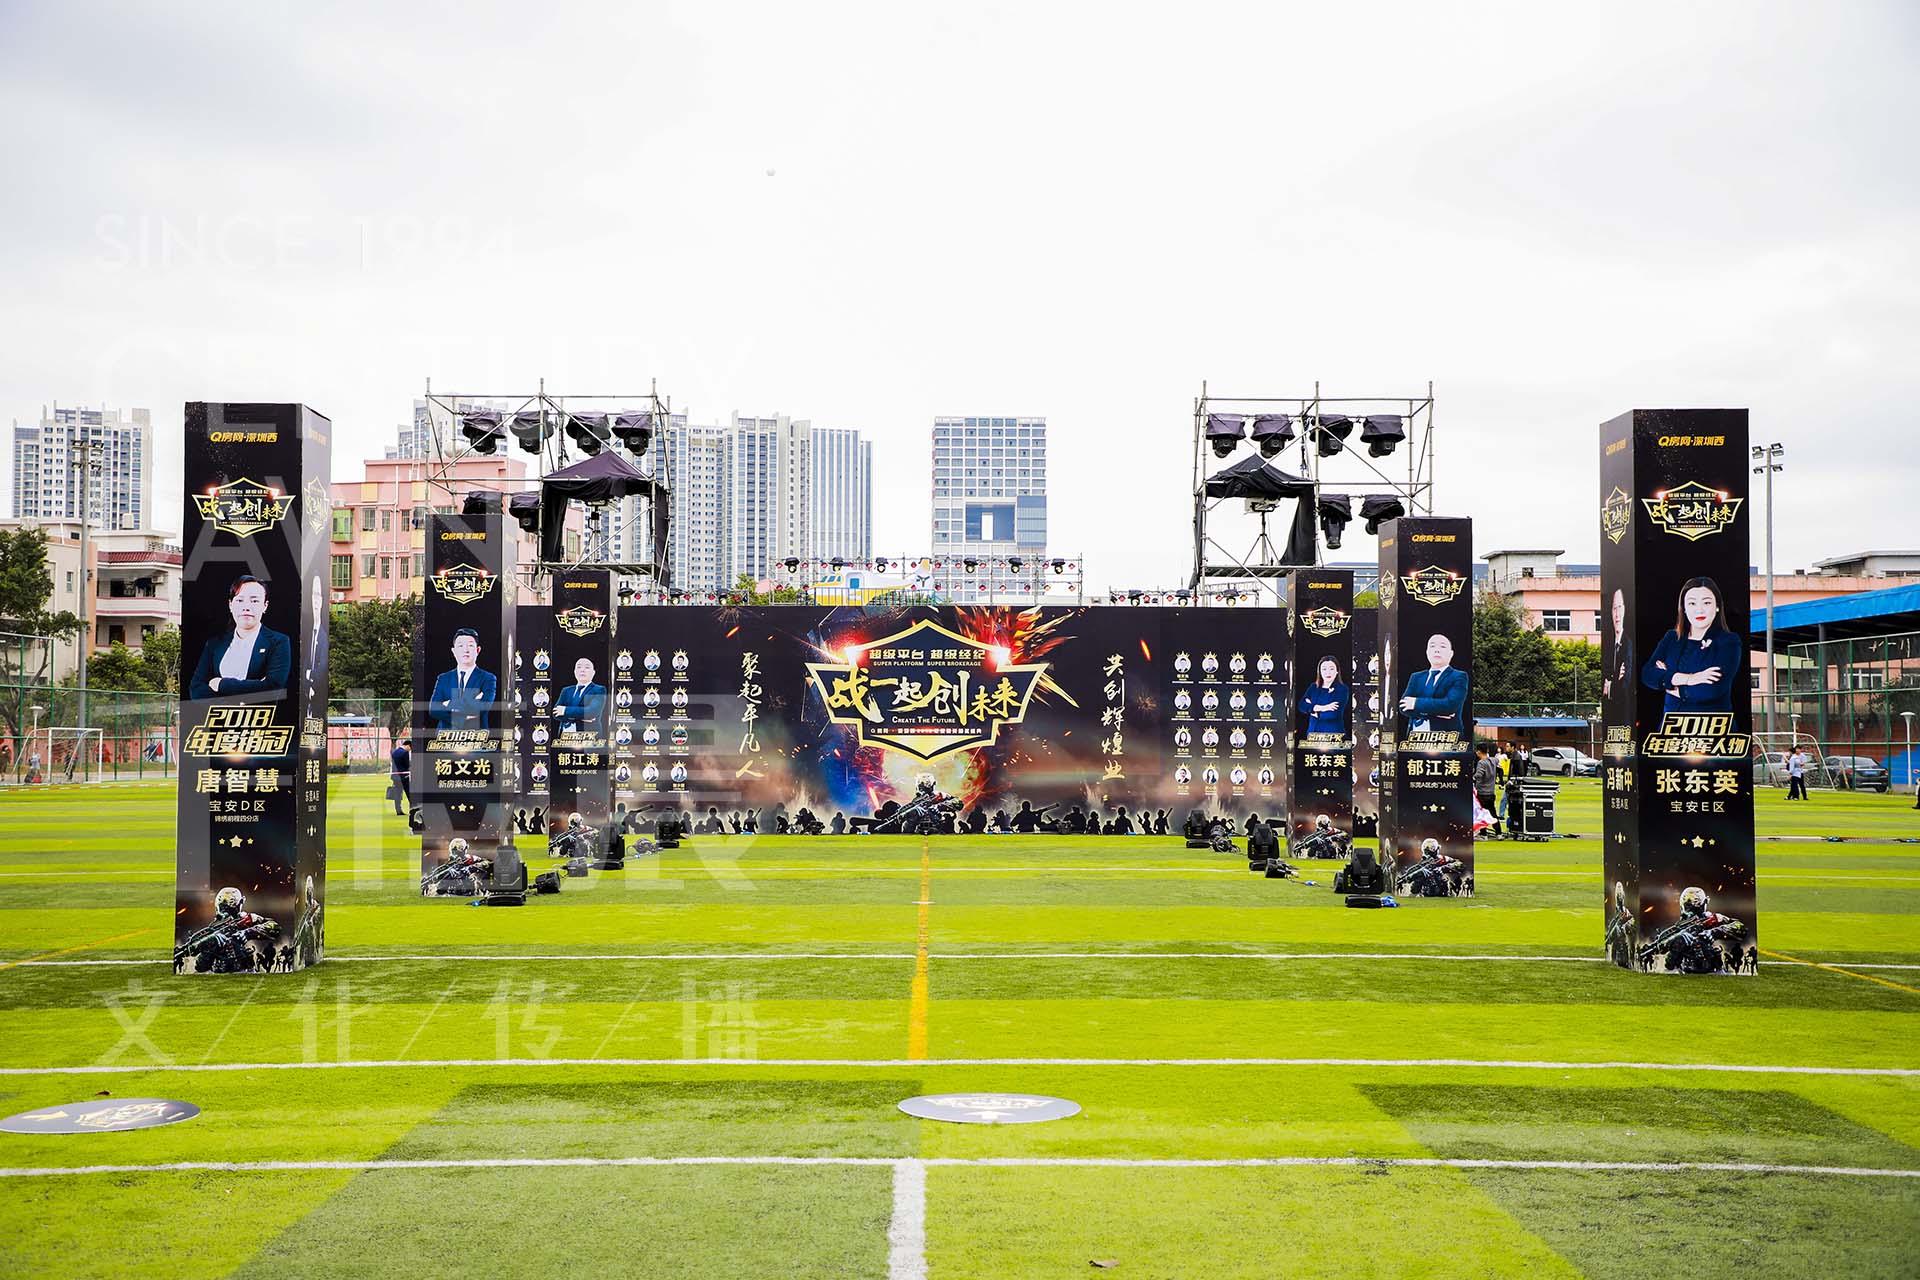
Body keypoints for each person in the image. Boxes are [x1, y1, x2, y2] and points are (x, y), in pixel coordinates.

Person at [1641, 576, 1742, 714]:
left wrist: (1668, 681)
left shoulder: (1728, 642)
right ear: (1684, 608)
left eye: (1706, 603)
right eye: (1692, 603)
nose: (1699, 610)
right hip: (1671, 724)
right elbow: (1647, 674)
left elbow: (1710, 690)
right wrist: (1691, 679)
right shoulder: (1672, 638)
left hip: (1711, 724)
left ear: (1717, 606)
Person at [189, 575, 292, 698]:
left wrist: (221, 684)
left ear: (265, 606)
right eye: (240, 600)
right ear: (230, 605)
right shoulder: (214, 644)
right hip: (216, 711)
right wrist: (255, 686)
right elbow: (196, 688)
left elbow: (273, 687)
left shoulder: (278, 642)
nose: (246, 607)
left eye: (254, 601)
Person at [1399, 633, 1468, 736]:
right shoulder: (1416, 677)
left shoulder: (1459, 676)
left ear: (1451, 653)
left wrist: (1416, 703)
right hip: (1415, 739)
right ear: (1427, 652)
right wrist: (1435, 712)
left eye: (1442, 646)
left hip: (1445, 739)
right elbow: (1403, 706)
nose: (1437, 650)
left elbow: (1450, 705)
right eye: (1432, 646)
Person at [429, 628, 498, 730]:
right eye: (460, 646)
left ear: (478, 650)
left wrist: (447, 703)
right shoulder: (443, 678)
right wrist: (465, 713)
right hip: (446, 737)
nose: (465, 650)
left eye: (470, 645)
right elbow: (434, 710)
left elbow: (483, 707)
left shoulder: (488, 678)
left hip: (475, 736)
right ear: (454, 651)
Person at [552, 656, 608, 736]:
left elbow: (592, 711)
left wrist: (565, 711)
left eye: (587, 667)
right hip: (565, 737)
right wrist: (582, 716)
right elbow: (555, 713)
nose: (582, 670)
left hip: (588, 737)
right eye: (579, 667)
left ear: (593, 673)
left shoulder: (599, 690)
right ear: (575, 672)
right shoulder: (566, 690)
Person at [1297, 656, 1349, 737]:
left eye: (1331, 669)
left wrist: (1311, 709)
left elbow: (1332, 714)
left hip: (1334, 736)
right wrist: (1325, 707)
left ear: (1337, 671)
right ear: (1320, 672)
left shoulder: (1342, 689)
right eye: (1324, 669)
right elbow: (1301, 705)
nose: (1328, 672)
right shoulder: (1313, 687)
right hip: (1312, 734)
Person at [1600, 588, 1632, 711]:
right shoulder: (1607, 646)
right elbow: (1604, 679)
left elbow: (1625, 683)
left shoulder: (1628, 645)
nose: (1617, 614)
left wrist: (1610, 687)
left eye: (1619, 607)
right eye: (1614, 608)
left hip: (1624, 711)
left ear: (1625, 609)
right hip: (1609, 712)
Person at [1473, 743, 1501, 837]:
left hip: (1482, 792)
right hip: (1491, 792)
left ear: (1479, 752)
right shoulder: (1493, 760)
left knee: (1481, 814)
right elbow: (1497, 761)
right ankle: (1498, 833)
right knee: (1493, 813)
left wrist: (1472, 777)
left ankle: (1483, 834)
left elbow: (1479, 775)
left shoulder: (1481, 763)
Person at [388, 738, 410, 816]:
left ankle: (398, 810)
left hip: (395, 776)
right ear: (408, 745)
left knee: (397, 794)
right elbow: (407, 765)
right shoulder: (405, 753)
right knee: (410, 794)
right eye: (410, 748)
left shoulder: (395, 752)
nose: (410, 750)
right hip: (404, 777)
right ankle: (413, 809)